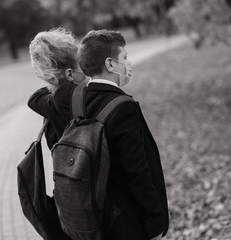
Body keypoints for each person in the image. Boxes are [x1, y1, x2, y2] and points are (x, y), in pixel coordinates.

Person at [77, 30, 169, 240]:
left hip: (94, 217)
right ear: (110, 65)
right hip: (126, 221)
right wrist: (154, 221)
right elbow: (137, 171)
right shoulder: (123, 107)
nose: (128, 63)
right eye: (125, 57)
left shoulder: (78, 101)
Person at [28, 27, 87, 149]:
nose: (87, 70)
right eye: (82, 65)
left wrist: (54, 80)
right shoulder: (84, 96)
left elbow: (33, 98)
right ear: (70, 74)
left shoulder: (49, 103)